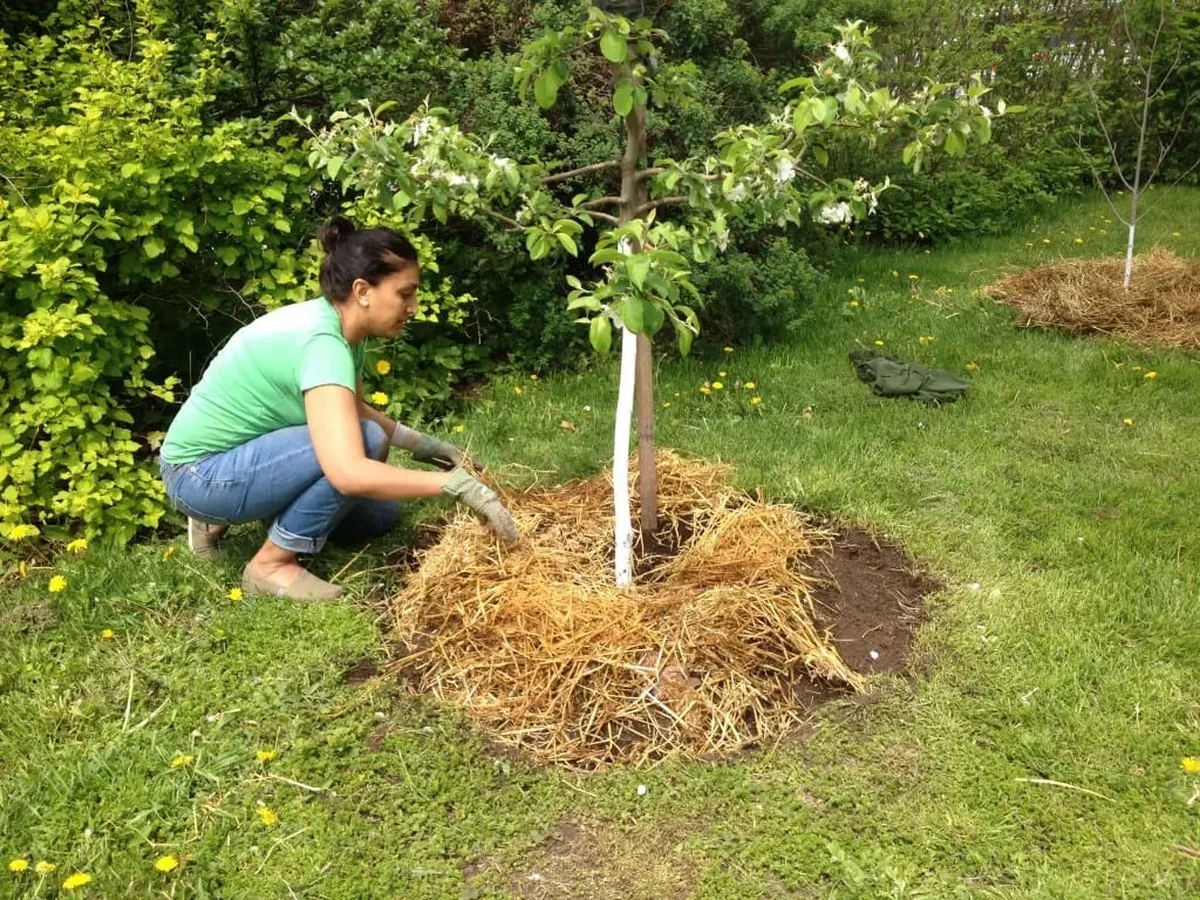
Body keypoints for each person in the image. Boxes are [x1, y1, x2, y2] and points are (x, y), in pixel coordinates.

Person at [157, 217, 518, 602]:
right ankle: (269, 565)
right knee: (362, 446)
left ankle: (247, 522)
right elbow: (347, 471)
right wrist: (456, 486)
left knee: (381, 516)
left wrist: (427, 446)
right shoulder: (322, 343)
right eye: (405, 294)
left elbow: (355, 409)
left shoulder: (343, 330)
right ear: (362, 290)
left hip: (243, 461)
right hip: (199, 474)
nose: (413, 307)